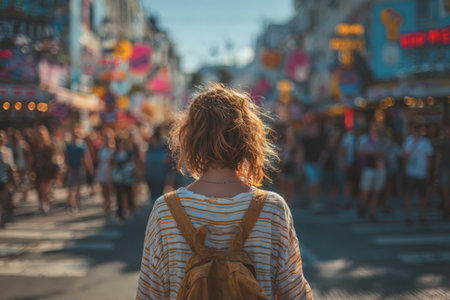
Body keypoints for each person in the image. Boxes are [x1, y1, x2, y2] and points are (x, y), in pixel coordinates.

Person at [136, 84, 312, 300]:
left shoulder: (165, 211)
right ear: (248, 138)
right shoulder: (273, 208)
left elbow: (149, 294)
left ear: (190, 140)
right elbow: (295, 294)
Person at [403, 122, 433, 226]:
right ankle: (408, 216)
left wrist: (428, 173)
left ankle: (422, 216)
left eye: (417, 129)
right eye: (414, 129)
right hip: (410, 172)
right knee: (408, 195)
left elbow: (429, 158)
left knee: (422, 196)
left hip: (421, 172)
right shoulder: (408, 141)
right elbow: (405, 156)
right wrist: (405, 169)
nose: (415, 131)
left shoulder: (425, 142)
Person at [357, 122, 388, 222]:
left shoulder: (383, 139)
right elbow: (358, 153)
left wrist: (378, 153)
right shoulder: (364, 139)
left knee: (376, 191)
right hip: (368, 167)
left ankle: (372, 212)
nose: (374, 130)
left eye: (376, 128)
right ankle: (362, 207)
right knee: (365, 190)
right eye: (372, 128)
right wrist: (371, 152)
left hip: (380, 167)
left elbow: (387, 153)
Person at [300, 121, 327, 213]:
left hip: (318, 164)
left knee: (317, 183)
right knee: (313, 182)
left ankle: (316, 200)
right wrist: (301, 164)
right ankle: (314, 202)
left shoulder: (321, 139)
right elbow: (302, 152)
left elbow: (324, 152)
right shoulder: (305, 140)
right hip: (309, 163)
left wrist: (321, 161)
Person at [65, 129, 92, 213]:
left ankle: (76, 202)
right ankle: (71, 204)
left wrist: (89, 168)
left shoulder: (83, 145)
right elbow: (65, 157)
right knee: (71, 188)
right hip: (71, 168)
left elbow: (86, 157)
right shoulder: (69, 146)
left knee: (78, 187)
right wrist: (68, 167)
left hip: (79, 168)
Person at [32, 126, 57, 215]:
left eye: (41, 135)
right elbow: (32, 158)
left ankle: (45, 204)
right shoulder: (35, 145)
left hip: (48, 170)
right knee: (40, 188)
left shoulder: (49, 145)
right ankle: (44, 203)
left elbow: (53, 157)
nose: (40, 136)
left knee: (45, 188)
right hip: (39, 170)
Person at [145, 126, 169, 205]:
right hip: (151, 174)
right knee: (152, 195)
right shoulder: (150, 147)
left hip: (160, 174)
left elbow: (167, 161)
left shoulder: (164, 146)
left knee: (160, 194)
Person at [112, 137, 135, 220]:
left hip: (127, 175)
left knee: (128, 193)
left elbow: (133, 162)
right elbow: (112, 163)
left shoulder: (129, 152)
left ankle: (130, 209)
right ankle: (120, 212)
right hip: (118, 176)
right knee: (119, 194)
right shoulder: (115, 153)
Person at [340, 124, 361, 209]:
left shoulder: (362, 139)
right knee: (348, 182)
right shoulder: (348, 138)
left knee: (359, 183)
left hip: (359, 164)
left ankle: (360, 201)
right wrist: (343, 163)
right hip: (350, 162)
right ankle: (347, 201)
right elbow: (342, 151)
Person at [96, 130, 115, 217]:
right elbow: (99, 160)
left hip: (110, 170)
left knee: (110, 188)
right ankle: (106, 203)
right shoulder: (101, 149)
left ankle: (110, 204)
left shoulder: (113, 149)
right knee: (103, 188)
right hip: (102, 169)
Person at [434, 123, 450, 219]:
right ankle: (446, 208)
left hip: (445, 167)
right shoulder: (441, 142)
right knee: (445, 189)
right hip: (444, 167)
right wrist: (436, 169)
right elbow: (438, 156)